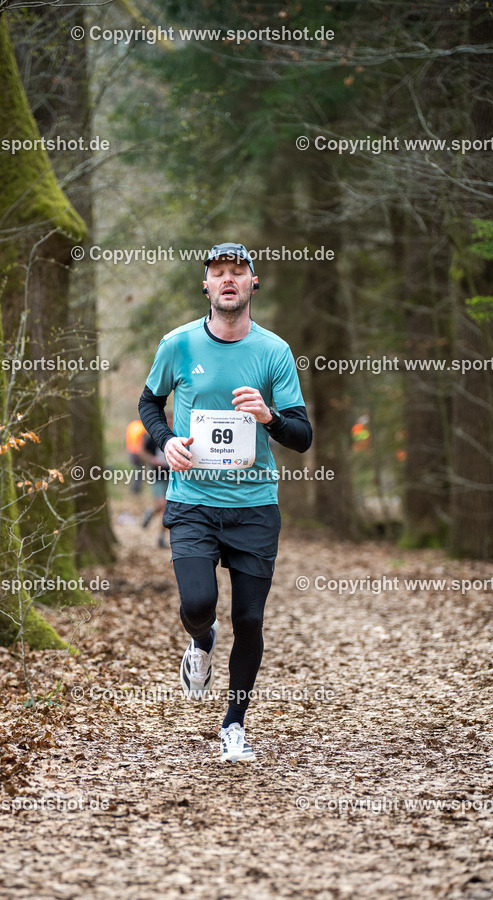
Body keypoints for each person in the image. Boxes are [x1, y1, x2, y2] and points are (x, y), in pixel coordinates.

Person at [138, 242, 312, 763]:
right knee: (197, 605)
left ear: (253, 283)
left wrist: (269, 417)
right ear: (207, 285)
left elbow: (301, 436)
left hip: (255, 506)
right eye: (218, 272)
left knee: (252, 621)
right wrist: (165, 440)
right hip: (192, 500)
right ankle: (201, 639)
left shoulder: (274, 352)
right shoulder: (179, 344)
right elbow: (150, 401)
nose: (228, 279)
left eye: (239, 271)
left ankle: (234, 724)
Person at [141, 415, 172, 548]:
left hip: (172, 477)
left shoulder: (177, 435)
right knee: (163, 505)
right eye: (168, 421)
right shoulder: (155, 436)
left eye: (172, 421)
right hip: (158, 475)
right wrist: (153, 460)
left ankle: (161, 537)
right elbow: (141, 452)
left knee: (167, 508)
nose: (170, 423)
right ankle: (151, 513)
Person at [125, 418, 147, 494]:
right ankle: (136, 489)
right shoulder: (142, 428)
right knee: (139, 471)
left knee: (136, 470)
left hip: (130, 451)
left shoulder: (132, 425)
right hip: (138, 452)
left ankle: (135, 488)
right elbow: (142, 442)